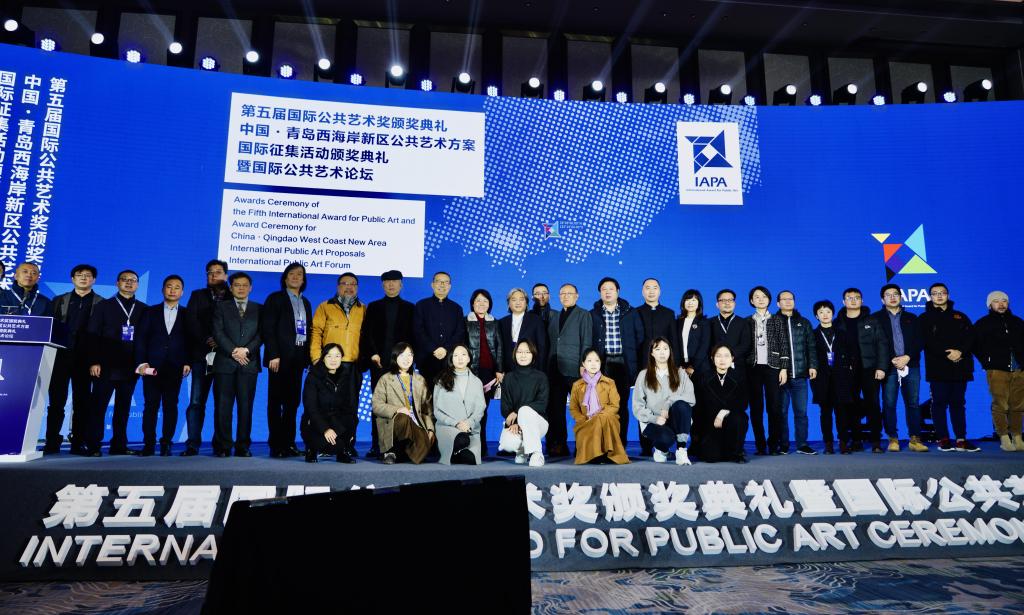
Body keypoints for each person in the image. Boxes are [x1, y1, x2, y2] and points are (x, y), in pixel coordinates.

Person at [85, 269, 146, 456]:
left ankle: (119, 445)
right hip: (105, 364)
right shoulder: (104, 306)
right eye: (124, 279)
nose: (129, 282)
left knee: (123, 407)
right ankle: (93, 445)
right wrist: (94, 361)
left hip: (130, 366)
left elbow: (146, 339)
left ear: (137, 285)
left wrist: (142, 363)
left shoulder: (144, 309)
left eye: (133, 280)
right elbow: (92, 335)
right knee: (98, 406)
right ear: (117, 283)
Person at [43, 264, 103, 455]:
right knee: (56, 401)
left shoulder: (102, 303)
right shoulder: (59, 300)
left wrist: (96, 359)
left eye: (88, 275)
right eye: (79, 275)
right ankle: (52, 441)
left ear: (94, 280)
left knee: (82, 402)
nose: (84, 278)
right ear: (72, 279)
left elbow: (102, 335)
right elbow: (49, 328)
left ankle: (78, 442)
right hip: (60, 357)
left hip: (85, 359)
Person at [134, 275, 195, 456]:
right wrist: (142, 362)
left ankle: (166, 443)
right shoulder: (149, 312)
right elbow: (141, 339)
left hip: (175, 366)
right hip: (152, 366)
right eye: (169, 286)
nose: (172, 290)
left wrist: (188, 362)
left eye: (177, 287)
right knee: (150, 405)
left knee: (171, 406)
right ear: (162, 290)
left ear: (182, 292)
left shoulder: (187, 314)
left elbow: (191, 340)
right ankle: (148, 444)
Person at [260, 262, 314, 458]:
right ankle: (276, 444)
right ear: (284, 278)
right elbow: (268, 328)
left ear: (304, 279)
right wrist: (273, 354)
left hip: (298, 359)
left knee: (292, 403)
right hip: (279, 359)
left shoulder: (306, 302)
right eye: (291, 273)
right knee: (276, 402)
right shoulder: (275, 298)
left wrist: (308, 359)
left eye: (300, 274)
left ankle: (289, 443)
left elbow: (307, 332)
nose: (296, 277)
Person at [360, 270, 415, 458]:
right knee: (379, 405)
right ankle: (377, 445)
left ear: (401, 284)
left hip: (403, 365)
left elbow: (413, 338)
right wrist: (373, 354)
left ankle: (401, 445)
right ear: (383, 285)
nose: (391, 285)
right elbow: (367, 334)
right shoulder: (374, 307)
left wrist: (408, 360)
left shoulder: (410, 308)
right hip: (379, 364)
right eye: (387, 282)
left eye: (395, 281)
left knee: (403, 404)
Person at [919, 283, 979, 452]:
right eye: (935, 293)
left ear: (948, 295)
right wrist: (948, 353)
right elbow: (927, 341)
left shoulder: (960, 316)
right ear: (930, 297)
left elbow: (971, 337)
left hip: (960, 366)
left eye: (942, 293)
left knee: (958, 403)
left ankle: (961, 439)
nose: (939, 296)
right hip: (938, 367)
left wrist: (960, 352)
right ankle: (943, 438)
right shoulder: (924, 318)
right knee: (938, 403)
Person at [311, 272, 366, 456]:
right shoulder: (325, 306)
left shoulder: (363, 309)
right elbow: (316, 332)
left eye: (353, 284)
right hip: (329, 366)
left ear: (357, 288)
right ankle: (325, 445)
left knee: (350, 408)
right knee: (326, 406)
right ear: (338, 286)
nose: (349, 287)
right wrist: (316, 359)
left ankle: (347, 444)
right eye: (344, 283)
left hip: (353, 367)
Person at [182, 259, 230, 456]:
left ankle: (220, 445)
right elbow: (190, 322)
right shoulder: (197, 295)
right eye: (209, 272)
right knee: (196, 402)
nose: (213, 275)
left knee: (222, 404)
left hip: (225, 357)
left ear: (225, 275)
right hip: (201, 356)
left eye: (217, 272)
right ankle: (192, 444)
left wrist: (221, 341)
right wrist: (207, 338)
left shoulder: (233, 296)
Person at [211, 272, 262, 457]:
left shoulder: (259, 308)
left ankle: (243, 446)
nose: (241, 288)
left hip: (248, 363)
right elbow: (218, 332)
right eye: (237, 285)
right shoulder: (220, 307)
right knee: (223, 407)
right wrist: (234, 351)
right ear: (231, 288)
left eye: (245, 285)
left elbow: (261, 335)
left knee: (246, 407)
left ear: (251, 288)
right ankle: (223, 446)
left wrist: (246, 350)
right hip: (225, 363)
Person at [833, 288, 888, 453]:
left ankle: (876, 441)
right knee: (852, 406)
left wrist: (881, 367)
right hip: (847, 371)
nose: (853, 300)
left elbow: (882, 344)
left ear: (862, 301)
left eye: (857, 297)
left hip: (869, 368)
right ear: (843, 302)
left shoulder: (872, 320)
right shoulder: (838, 322)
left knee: (873, 405)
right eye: (849, 298)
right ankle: (856, 440)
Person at [875, 284, 928, 452]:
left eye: (895, 294)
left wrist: (907, 357)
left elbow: (920, 340)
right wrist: (890, 358)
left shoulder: (912, 318)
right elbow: (875, 343)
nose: (892, 297)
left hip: (911, 365)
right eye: (888, 295)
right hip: (888, 366)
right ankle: (893, 438)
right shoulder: (875, 319)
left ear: (901, 297)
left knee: (913, 403)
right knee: (889, 403)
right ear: (882, 299)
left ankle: (915, 439)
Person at [590, 277, 639, 448]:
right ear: (600, 293)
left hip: (623, 364)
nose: (607, 292)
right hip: (603, 366)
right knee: (602, 406)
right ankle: (604, 445)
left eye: (611, 289)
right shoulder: (593, 314)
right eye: (604, 289)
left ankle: (620, 445)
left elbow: (639, 339)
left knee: (621, 405)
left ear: (618, 291)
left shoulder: (630, 313)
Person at [973, 291, 1024, 452]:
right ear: (990, 305)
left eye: (1004, 301)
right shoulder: (983, 323)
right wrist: (987, 362)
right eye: (996, 301)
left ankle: (1017, 436)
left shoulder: (1018, 322)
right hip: (997, 370)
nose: (1001, 304)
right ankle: (1003, 436)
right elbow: (974, 345)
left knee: (1018, 405)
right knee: (1000, 404)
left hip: (1019, 369)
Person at [632, 337, 695, 465]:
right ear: (652, 353)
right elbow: (637, 406)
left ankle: (681, 450)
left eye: (665, 349)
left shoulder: (680, 373)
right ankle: (662, 450)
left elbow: (690, 398)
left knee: (682, 405)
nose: (662, 352)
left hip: (674, 420)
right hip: (653, 422)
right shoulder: (643, 375)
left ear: (670, 352)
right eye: (658, 349)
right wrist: (655, 419)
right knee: (667, 438)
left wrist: (668, 403)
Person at [546, 283, 592, 457]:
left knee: (580, 409)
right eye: (562, 293)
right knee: (556, 410)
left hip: (575, 368)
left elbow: (586, 341)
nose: (565, 296)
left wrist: (583, 364)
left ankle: (583, 444)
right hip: (555, 369)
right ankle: (560, 444)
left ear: (577, 296)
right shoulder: (555, 316)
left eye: (569, 293)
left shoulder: (583, 315)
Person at [371, 342, 435, 464]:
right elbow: (376, 406)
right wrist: (397, 409)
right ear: (395, 357)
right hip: (395, 423)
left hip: (416, 423)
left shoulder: (420, 380)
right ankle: (392, 450)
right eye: (402, 355)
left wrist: (430, 429)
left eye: (409, 355)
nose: (406, 359)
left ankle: (400, 453)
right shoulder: (386, 379)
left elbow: (427, 410)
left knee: (424, 448)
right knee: (403, 418)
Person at [775, 290, 819, 455]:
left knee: (801, 412)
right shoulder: (773, 322)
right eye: (784, 299)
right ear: (778, 303)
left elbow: (811, 346)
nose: (788, 301)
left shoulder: (804, 322)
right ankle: (783, 444)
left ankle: (802, 444)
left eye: (791, 299)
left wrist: (813, 365)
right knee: (781, 412)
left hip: (800, 376)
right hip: (780, 377)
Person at [568, 349, 630, 465]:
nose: (593, 364)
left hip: (607, 419)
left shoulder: (609, 383)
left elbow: (615, 405)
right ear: (583, 364)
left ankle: (601, 454)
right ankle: (597, 454)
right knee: (594, 422)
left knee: (601, 419)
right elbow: (573, 408)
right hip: (586, 421)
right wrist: (582, 419)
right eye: (589, 361)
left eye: (597, 361)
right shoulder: (577, 385)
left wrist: (599, 416)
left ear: (601, 363)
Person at [745, 286, 787, 456]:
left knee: (774, 407)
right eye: (757, 297)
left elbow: (784, 344)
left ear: (769, 299)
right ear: (751, 301)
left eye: (764, 296)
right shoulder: (747, 321)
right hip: (753, 368)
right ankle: (760, 445)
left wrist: (784, 368)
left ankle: (774, 444)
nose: (760, 299)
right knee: (756, 408)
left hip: (773, 367)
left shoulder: (777, 320)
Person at [301, 343, 357, 464]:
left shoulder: (346, 376)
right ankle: (311, 449)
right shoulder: (313, 376)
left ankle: (342, 451)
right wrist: (325, 429)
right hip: (318, 421)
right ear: (323, 358)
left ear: (341, 358)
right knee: (322, 440)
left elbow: (349, 406)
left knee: (350, 418)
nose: (333, 360)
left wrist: (351, 431)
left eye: (337, 356)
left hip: (337, 421)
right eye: (329, 356)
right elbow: (311, 408)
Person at [694, 345, 749, 463]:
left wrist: (723, 412)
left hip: (730, 420)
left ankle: (737, 452)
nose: (722, 359)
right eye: (718, 356)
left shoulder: (739, 376)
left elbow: (743, 403)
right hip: (711, 423)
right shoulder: (704, 377)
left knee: (741, 417)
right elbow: (699, 407)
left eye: (726, 356)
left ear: (732, 358)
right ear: (712, 358)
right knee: (711, 457)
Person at [498, 340, 549, 466]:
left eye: (527, 352)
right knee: (508, 443)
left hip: (539, 423)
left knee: (524, 410)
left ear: (533, 355)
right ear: (515, 354)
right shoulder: (508, 378)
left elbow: (542, 404)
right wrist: (515, 423)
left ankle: (537, 453)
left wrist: (518, 412)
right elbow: (505, 407)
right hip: (516, 424)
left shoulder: (541, 377)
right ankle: (522, 451)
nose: (523, 355)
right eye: (520, 352)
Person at [433, 344, 486, 465]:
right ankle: (455, 450)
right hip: (448, 427)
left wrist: (469, 423)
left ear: (469, 358)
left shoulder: (477, 382)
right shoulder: (442, 380)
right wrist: (455, 423)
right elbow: (436, 411)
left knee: (472, 459)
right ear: (451, 359)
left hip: (469, 429)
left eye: (463, 355)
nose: (460, 358)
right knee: (462, 440)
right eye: (456, 355)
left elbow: (480, 409)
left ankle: (456, 453)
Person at [465, 289, 503, 456]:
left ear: (490, 304)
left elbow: (500, 348)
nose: (481, 304)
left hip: (488, 373)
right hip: (470, 372)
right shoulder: (465, 321)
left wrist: (499, 369)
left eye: (485, 301)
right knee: (469, 410)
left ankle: (481, 444)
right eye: (478, 301)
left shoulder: (495, 323)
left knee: (482, 409)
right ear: (472, 303)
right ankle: (468, 444)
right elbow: (461, 347)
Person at [413, 271, 466, 386]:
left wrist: (445, 349)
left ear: (450, 286)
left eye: (446, 282)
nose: (442, 285)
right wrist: (434, 348)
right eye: (439, 281)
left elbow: (460, 333)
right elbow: (418, 331)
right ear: (432, 285)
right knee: (425, 394)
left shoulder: (457, 308)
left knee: (448, 392)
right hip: (426, 359)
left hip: (449, 360)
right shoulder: (421, 305)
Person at [811, 300, 845, 454]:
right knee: (825, 412)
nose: (825, 315)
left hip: (840, 377)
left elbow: (849, 353)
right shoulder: (812, 335)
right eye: (821, 312)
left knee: (842, 412)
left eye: (828, 312)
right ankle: (828, 444)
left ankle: (843, 442)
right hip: (821, 378)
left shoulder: (842, 333)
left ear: (833, 314)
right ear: (816, 316)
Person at [498, 287, 547, 373]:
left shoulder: (536, 320)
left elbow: (542, 348)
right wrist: (500, 369)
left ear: (526, 303)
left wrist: (540, 372)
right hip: (508, 370)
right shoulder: (502, 322)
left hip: (531, 369)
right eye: (514, 300)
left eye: (521, 299)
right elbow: (499, 350)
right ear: (508, 303)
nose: (518, 303)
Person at [677, 289, 710, 377]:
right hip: (682, 366)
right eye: (687, 300)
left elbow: (704, 346)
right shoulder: (678, 322)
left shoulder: (704, 322)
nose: (690, 303)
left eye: (693, 300)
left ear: (699, 303)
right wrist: (678, 365)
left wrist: (693, 366)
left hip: (700, 367)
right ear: (683, 302)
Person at [530, 283, 553, 367]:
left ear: (549, 296)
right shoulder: (527, 316)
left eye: (544, 293)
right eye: (537, 294)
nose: (541, 296)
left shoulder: (557, 315)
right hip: (533, 359)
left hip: (553, 360)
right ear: (532, 297)